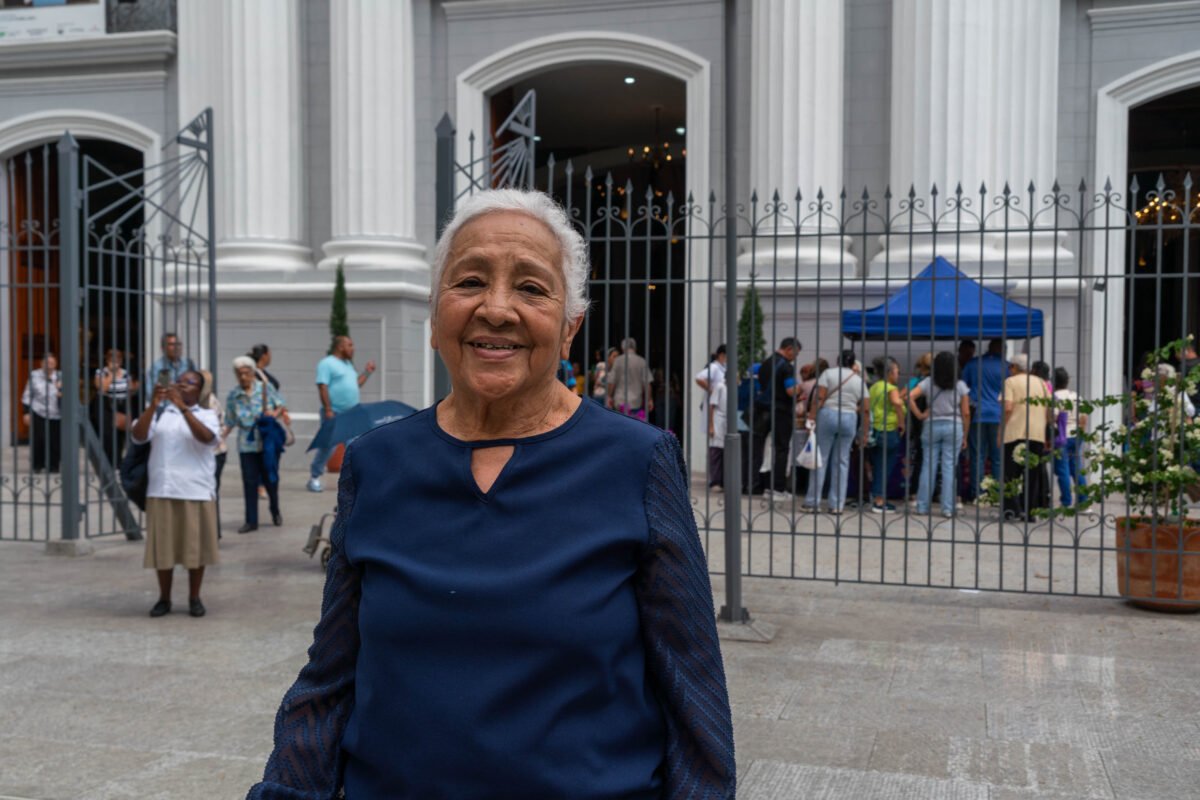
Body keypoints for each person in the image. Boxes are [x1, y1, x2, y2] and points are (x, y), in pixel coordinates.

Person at [249, 189, 733, 798]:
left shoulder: (636, 461)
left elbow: (693, 689)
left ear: (569, 327)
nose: (496, 309)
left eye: (531, 288)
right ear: (434, 314)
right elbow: (331, 676)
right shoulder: (378, 461)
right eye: (470, 281)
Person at [129, 369, 219, 618]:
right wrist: (153, 405)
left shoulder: (207, 414)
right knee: (163, 549)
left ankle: (194, 597)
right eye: (180, 382)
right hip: (163, 488)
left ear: (199, 391)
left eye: (190, 383)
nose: (182, 385)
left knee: (195, 549)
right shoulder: (160, 413)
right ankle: (164, 598)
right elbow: (138, 435)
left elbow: (208, 438)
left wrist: (182, 408)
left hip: (195, 489)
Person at [803, 349, 868, 514]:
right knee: (842, 461)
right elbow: (866, 409)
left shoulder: (828, 373)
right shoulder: (859, 380)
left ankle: (812, 502)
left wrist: (811, 418)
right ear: (853, 364)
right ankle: (837, 505)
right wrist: (865, 432)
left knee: (821, 459)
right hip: (849, 418)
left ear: (838, 361)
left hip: (828, 415)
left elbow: (819, 397)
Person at [307, 334, 375, 492]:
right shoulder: (327, 363)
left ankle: (356, 480)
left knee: (355, 446)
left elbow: (356, 384)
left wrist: (367, 372)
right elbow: (322, 386)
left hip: (352, 413)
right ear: (340, 346)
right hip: (335, 413)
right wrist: (329, 409)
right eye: (350, 345)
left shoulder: (348, 364)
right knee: (327, 447)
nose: (353, 348)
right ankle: (314, 477)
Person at [227, 355, 286, 532]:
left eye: (246, 373)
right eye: (240, 374)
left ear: (253, 373)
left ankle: (275, 509)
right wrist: (220, 437)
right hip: (246, 444)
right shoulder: (233, 395)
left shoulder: (265, 388)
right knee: (249, 482)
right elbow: (230, 421)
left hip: (266, 442)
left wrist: (274, 414)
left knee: (270, 479)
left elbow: (281, 404)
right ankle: (251, 521)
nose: (243, 377)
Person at [909, 351, 971, 518]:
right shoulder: (960, 385)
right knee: (949, 467)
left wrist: (920, 415)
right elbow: (965, 412)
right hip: (954, 426)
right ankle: (947, 508)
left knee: (928, 465)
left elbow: (909, 396)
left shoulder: (928, 382)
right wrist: (965, 435)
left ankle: (922, 506)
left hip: (931, 426)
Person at [1001, 354, 1052, 520]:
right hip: (1036, 434)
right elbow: (1050, 410)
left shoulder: (1010, 382)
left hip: (1014, 432)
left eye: (1010, 367)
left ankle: (1011, 510)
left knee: (1011, 474)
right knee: (1032, 475)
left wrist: (1001, 430)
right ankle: (1030, 512)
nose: (1009, 370)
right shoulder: (1041, 383)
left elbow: (1007, 407)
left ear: (1015, 367)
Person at [749, 336, 801, 501]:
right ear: (789, 349)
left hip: (763, 411)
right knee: (781, 449)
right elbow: (790, 391)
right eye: (796, 353)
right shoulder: (786, 367)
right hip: (781, 412)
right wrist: (800, 390)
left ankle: (760, 486)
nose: (795, 357)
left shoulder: (764, 364)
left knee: (761, 449)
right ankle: (778, 489)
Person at [962, 338, 1008, 502]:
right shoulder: (1007, 367)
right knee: (997, 458)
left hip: (978, 415)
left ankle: (978, 493)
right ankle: (995, 495)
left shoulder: (973, 364)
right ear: (1002, 349)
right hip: (998, 416)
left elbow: (963, 389)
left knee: (977, 456)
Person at [868, 356, 905, 512]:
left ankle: (877, 496)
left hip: (875, 430)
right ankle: (879, 500)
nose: (898, 375)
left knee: (878, 466)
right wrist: (901, 422)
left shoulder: (875, 387)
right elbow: (896, 403)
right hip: (889, 430)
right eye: (897, 371)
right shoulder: (891, 388)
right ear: (889, 372)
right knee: (885, 467)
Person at [93, 348, 138, 467]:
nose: (115, 361)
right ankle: (107, 461)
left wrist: (134, 387)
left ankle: (118, 461)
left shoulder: (125, 373)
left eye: (118, 359)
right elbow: (102, 388)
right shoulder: (101, 372)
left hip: (121, 405)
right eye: (112, 359)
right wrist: (112, 374)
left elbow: (130, 390)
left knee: (119, 434)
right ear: (107, 360)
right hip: (106, 405)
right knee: (108, 434)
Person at [1052, 367, 1088, 507]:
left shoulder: (1055, 397)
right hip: (1076, 435)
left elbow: (1053, 417)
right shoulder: (1076, 396)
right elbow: (1084, 417)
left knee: (1063, 471)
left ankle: (1066, 501)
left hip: (1062, 437)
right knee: (1077, 469)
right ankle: (1083, 501)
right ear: (1067, 381)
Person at [20, 352, 62, 473]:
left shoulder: (60, 376)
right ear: (41, 363)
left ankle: (54, 467)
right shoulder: (34, 375)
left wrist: (61, 390)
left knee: (55, 441)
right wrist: (26, 412)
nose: (49, 366)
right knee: (39, 439)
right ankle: (37, 465)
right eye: (47, 363)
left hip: (57, 413)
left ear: (56, 364)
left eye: (52, 363)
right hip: (38, 410)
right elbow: (28, 395)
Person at [606, 336, 653, 419]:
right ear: (635, 347)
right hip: (636, 402)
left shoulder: (618, 361)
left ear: (622, 347)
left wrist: (609, 396)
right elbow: (647, 383)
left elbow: (611, 382)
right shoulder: (641, 361)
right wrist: (649, 400)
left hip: (620, 401)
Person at [708, 374, 728, 490]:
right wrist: (711, 426)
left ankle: (724, 481)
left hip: (726, 422)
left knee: (725, 452)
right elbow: (712, 406)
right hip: (718, 421)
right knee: (716, 452)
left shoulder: (732, 387)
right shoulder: (720, 386)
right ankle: (715, 481)